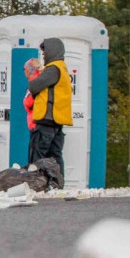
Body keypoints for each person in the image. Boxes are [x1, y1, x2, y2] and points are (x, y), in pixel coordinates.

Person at [27, 38, 72, 184]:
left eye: (44, 51)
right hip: (56, 121)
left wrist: (33, 79)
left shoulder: (53, 69)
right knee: (55, 155)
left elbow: (34, 87)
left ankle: (37, 184)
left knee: (37, 154)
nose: (43, 55)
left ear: (52, 50)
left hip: (46, 119)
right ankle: (57, 184)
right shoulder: (62, 68)